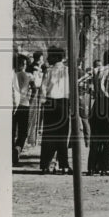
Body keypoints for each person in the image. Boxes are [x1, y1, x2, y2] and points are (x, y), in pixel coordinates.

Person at [39, 46, 73, 174]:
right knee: (62, 135)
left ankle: (45, 164)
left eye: (50, 55)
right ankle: (62, 165)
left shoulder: (49, 71)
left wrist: (42, 102)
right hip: (63, 103)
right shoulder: (68, 71)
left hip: (50, 102)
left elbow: (43, 88)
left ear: (57, 57)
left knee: (48, 135)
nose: (48, 58)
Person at [13, 54, 33, 166]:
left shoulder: (12, 75)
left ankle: (12, 150)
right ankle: (18, 147)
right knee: (23, 131)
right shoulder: (26, 76)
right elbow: (30, 89)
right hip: (24, 104)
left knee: (12, 130)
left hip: (14, 105)